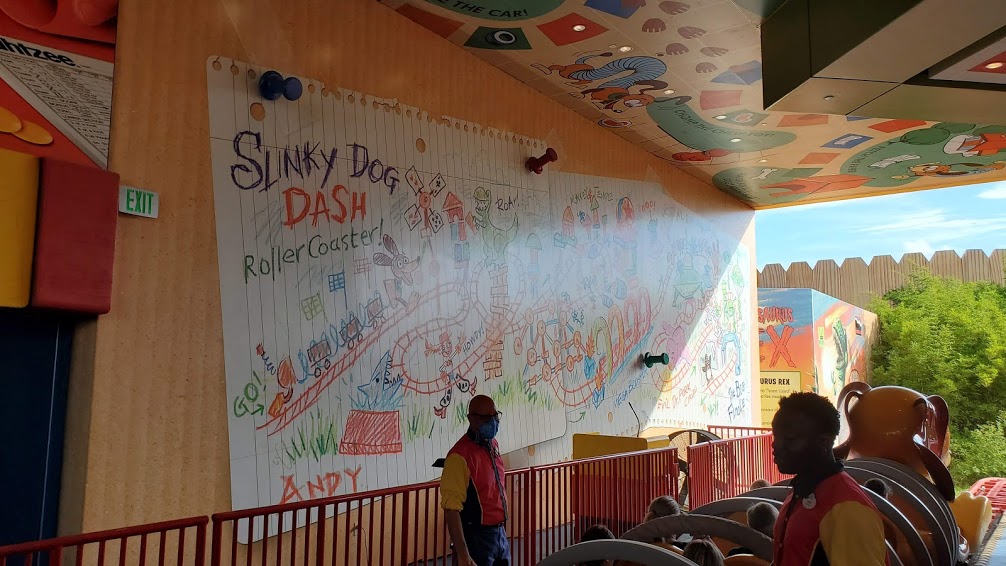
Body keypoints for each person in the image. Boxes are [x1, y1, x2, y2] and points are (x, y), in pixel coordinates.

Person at [772, 392, 888, 565]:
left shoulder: (848, 509)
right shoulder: (802, 491)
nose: (776, 445)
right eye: (776, 436)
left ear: (823, 442)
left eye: (789, 439)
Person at [441, 395, 508, 566]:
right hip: (476, 538)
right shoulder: (459, 456)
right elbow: (451, 509)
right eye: (486, 418)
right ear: (471, 418)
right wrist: (463, 554)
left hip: (499, 535)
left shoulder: (493, 445)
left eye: (496, 416)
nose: (493, 422)